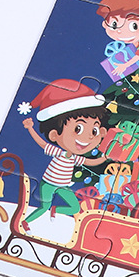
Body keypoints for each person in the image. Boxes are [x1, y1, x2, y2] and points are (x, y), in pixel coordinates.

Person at [21, 80, 109, 230]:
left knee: (75, 207)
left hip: (63, 186)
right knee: (44, 206)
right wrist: (30, 128)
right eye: (78, 129)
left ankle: (56, 210)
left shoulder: (75, 158)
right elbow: (42, 143)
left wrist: (105, 157)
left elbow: (90, 162)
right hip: (48, 184)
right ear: (54, 135)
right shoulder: (58, 152)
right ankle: (25, 222)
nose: (89, 137)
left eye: (94, 131)